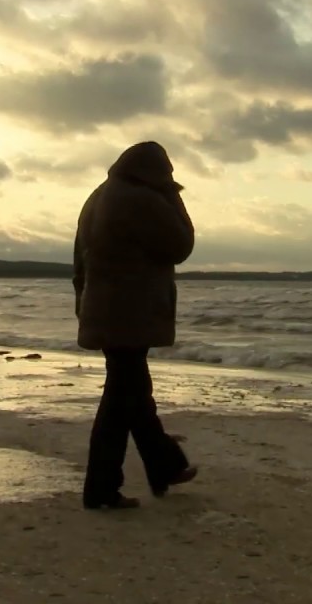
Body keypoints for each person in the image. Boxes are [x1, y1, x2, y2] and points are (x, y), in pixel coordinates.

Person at [73, 141, 198, 510]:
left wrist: (82, 304)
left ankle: (164, 467)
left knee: (133, 392)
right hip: (130, 311)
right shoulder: (141, 198)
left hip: (104, 309)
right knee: (122, 399)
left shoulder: (99, 195)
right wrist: (172, 196)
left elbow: (79, 260)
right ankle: (101, 489)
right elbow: (181, 244)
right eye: (168, 173)